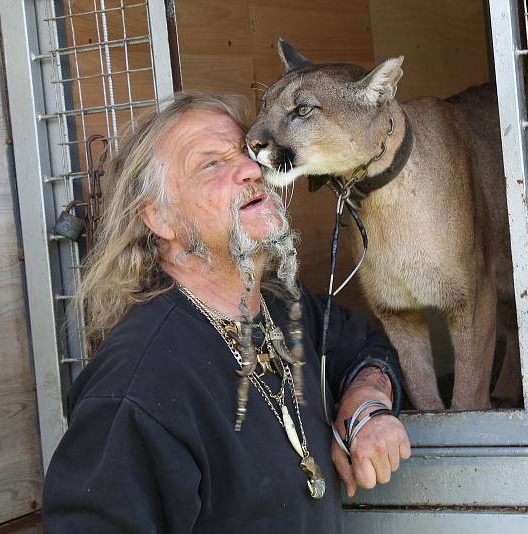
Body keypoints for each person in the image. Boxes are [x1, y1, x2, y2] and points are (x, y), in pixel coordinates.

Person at [42, 92, 411, 533]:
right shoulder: (137, 388)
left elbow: (365, 348)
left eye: (244, 152)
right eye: (211, 165)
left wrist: (365, 405)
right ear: (159, 217)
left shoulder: (280, 305)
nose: (253, 169)